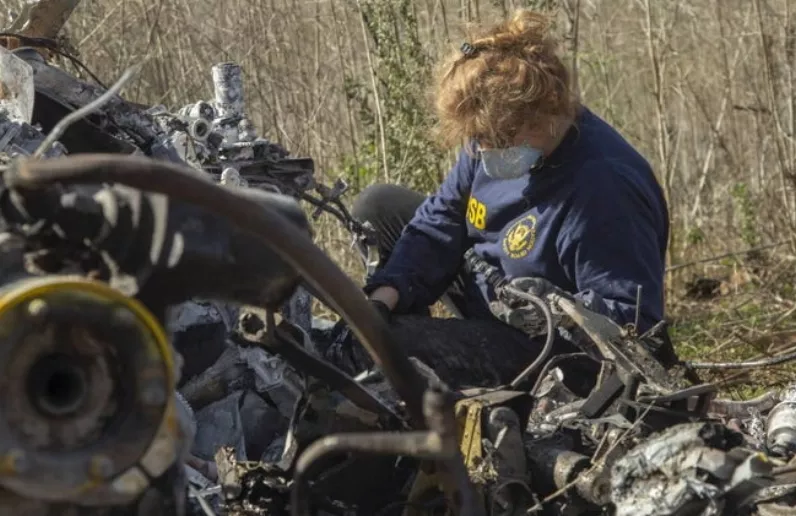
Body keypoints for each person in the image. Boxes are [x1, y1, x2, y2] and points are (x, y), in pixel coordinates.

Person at [324, 8, 679, 392]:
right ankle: (426, 343)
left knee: (386, 349)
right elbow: (438, 220)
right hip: (489, 289)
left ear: (545, 114)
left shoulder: (604, 188)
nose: (483, 150)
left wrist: (556, 312)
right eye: (477, 140)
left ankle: (447, 366)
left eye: (496, 140)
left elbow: (633, 322)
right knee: (380, 206)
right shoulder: (490, 141)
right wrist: (384, 295)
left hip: (548, 350)